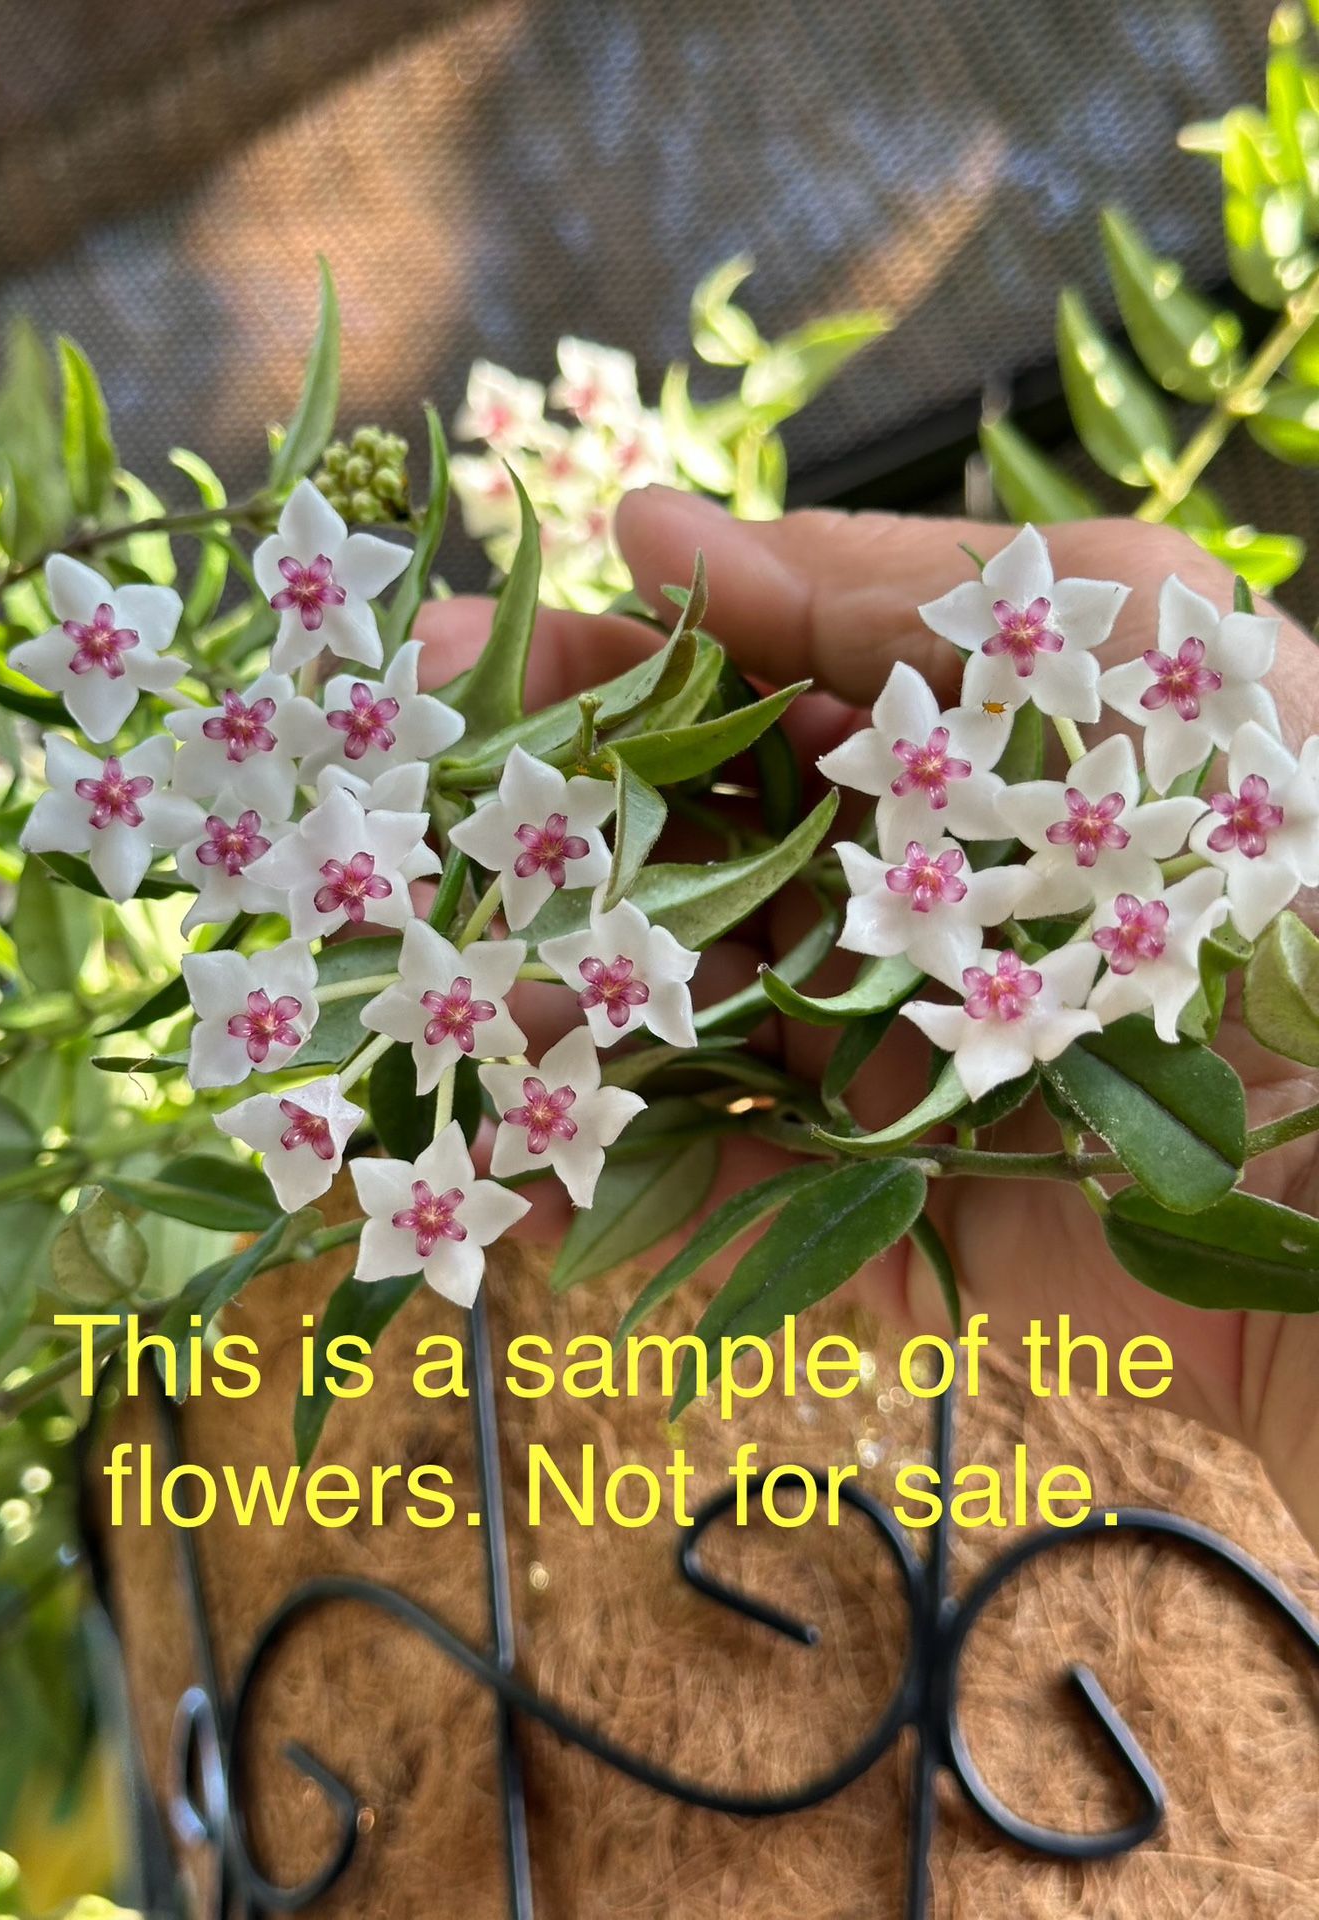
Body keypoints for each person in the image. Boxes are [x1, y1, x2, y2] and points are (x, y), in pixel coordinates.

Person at [417, 487, 1319, 1551]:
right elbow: (1028, 880)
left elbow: (1053, 888)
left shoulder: (1136, 827)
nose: (1024, 632)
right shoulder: (1059, 836)